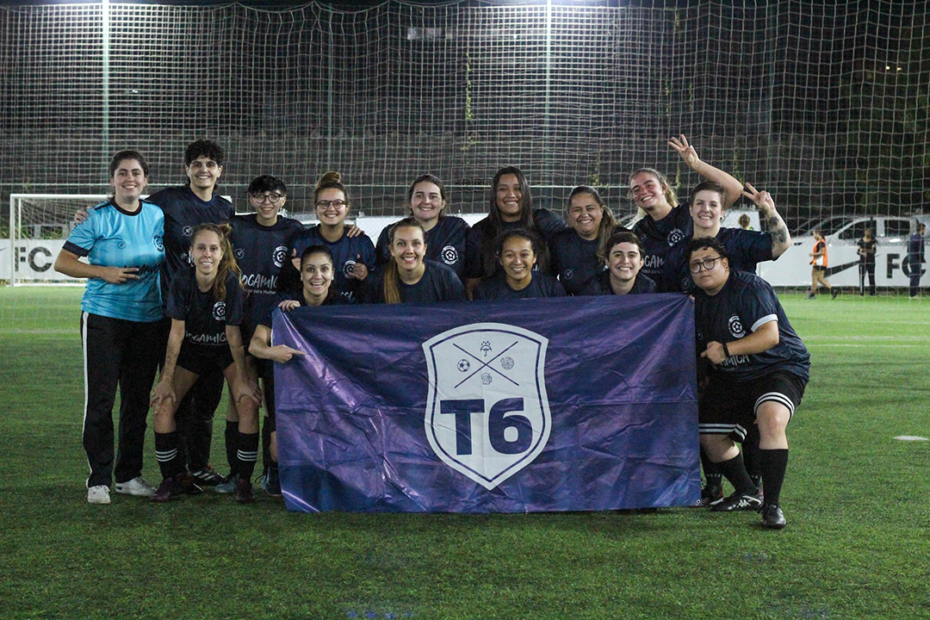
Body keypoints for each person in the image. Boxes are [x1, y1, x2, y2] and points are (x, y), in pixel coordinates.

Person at [72, 139, 234, 486]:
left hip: (208, 316)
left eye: (210, 164)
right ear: (186, 168)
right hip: (165, 314)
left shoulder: (226, 209)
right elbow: (126, 205)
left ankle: (196, 465)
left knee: (202, 397)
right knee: (166, 392)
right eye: (197, 163)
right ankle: (167, 471)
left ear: (220, 171)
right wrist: (90, 215)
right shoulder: (166, 202)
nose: (203, 169)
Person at [54, 150, 165, 504]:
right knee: (101, 400)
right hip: (104, 317)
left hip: (148, 319)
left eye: (135, 173)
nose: (129, 178)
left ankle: (129, 476)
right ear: (113, 179)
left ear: (145, 180)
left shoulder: (156, 215)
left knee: (136, 402)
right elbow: (63, 262)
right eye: (122, 173)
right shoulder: (97, 218)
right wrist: (104, 272)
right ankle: (98, 479)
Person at [688, 237, 810, 529]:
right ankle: (747, 491)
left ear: (726, 264)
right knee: (707, 434)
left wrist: (727, 350)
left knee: (771, 420)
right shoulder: (696, 299)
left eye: (709, 262)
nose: (703, 269)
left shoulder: (749, 287)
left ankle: (772, 505)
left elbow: (770, 336)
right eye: (695, 265)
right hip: (735, 375)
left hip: (777, 367)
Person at [150, 224, 262, 504]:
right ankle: (172, 478)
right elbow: (176, 333)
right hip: (194, 351)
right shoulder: (182, 280)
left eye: (213, 248)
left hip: (226, 351)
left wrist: (246, 380)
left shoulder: (231, 282)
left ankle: (244, 481)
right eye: (201, 248)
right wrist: (165, 378)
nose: (207, 254)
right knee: (163, 404)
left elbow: (233, 335)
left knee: (247, 402)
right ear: (191, 252)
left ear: (222, 252)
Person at [217, 175, 304, 496]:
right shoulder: (235, 226)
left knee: (271, 401)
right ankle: (237, 473)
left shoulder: (295, 231)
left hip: (277, 328)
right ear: (250, 199)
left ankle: (271, 470)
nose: (267, 202)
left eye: (274, 196)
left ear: (284, 200)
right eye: (260, 196)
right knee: (239, 399)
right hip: (240, 324)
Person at [248, 245, 347, 491]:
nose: (317, 276)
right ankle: (273, 468)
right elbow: (254, 345)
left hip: (327, 389)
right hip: (288, 389)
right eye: (310, 270)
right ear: (301, 274)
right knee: (281, 454)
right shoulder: (284, 304)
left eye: (324, 269)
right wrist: (274, 351)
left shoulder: (344, 306)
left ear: (333, 273)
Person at [630, 135, 744, 290]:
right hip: (660, 306)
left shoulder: (690, 214)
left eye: (649, 185)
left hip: (698, 298)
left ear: (663, 188)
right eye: (636, 190)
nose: (644, 191)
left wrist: (696, 164)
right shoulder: (638, 230)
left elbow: (734, 189)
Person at [662, 181, 792, 294]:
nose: (706, 209)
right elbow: (671, 300)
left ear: (722, 212)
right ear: (691, 210)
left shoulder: (739, 240)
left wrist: (769, 211)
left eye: (713, 205)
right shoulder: (677, 252)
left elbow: (782, 245)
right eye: (700, 203)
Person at [465, 166, 569, 297]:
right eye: (503, 189)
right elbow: (472, 284)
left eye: (517, 188)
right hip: (497, 308)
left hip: (542, 306)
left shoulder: (547, 222)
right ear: (494, 194)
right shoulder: (480, 232)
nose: (511, 195)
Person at [285, 171, 376, 303]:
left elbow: (378, 285)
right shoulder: (301, 242)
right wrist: (291, 271)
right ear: (315, 209)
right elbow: (287, 288)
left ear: (347, 208)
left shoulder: (361, 243)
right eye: (324, 204)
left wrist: (367, 276)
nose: (331, 208)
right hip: (311, 318)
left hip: (350, 317)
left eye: (338, 203)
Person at [375, 174, 470, 280]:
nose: (426, 201)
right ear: (410, 202)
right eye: (419, 196)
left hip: (450, 296)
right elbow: (379, 275)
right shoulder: (391, 233)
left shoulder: (458, 229)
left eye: (433, 196)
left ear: (443, 203)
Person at [363, 218, 466, 304]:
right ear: (391, 250)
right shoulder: (375, 282)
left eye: (416, 243)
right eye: (401, 244)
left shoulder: (447, 279)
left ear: (424, 249)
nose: (409, 251)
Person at [549, 185, 621, 296]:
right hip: (574, 310)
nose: (584, 214)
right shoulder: (559, 242)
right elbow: (547, 282)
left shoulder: (620, 238)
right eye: (577, 210)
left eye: (590, 208)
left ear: (601, 211)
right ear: (569, 214)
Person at [473, 229, 566, 300]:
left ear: (534, 258)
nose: (517, 261)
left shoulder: (551, 288)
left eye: (524, 255)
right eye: (509, 255)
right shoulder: (485, 291)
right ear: (500, 259)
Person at [579, 230, 656, 296]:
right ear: (607, 261)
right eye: (618, 255)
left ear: (641, 263)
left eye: (631, 255)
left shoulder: (648, 288)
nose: (625, 261)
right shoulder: (592, 289)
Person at [808, 229, 837, 299]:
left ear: (818, 234)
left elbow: (822, 252)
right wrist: (813, 260)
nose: (813, 236)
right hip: (822, 263)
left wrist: (813, 254)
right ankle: (833, 290)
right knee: (820, 279)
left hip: (819, 263)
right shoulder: (821, 242)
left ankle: (812, 294)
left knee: (814, 277)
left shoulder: (821, 242)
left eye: (814, 234)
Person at [857, 228, 877, 296]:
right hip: (862, 262)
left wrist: (864, 250)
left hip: (871, 261)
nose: (868, 233)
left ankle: (872, 292)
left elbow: (873, 251)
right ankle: (861, 292)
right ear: (864, 232)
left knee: (871, 277)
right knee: (861, 277)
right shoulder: (861, 241)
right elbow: (858, 251)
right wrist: (862, 253)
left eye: (869, 232)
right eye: (867, 231)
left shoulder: (873, 241)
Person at [907, 223, 925, 299]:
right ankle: (913, 294)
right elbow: (920, 251)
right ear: (922, 229)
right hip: (916, 259)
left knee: (913, 275)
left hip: (910, 257)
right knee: (916, 276)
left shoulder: (912, 237)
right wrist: (921, 259)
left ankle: (911, 293)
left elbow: (908, 249)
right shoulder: (920, 238)